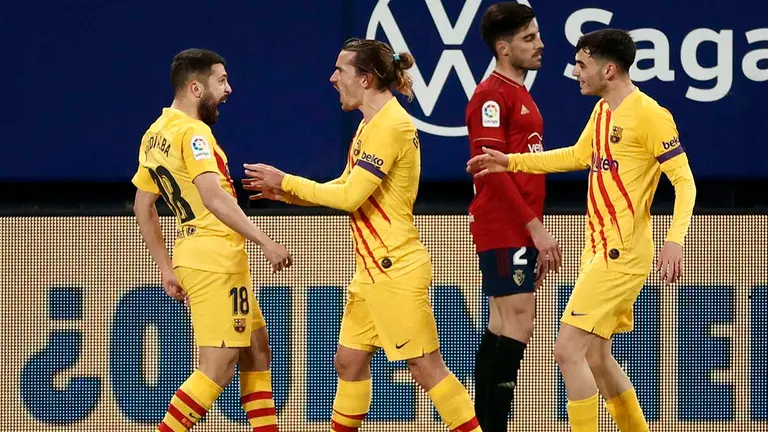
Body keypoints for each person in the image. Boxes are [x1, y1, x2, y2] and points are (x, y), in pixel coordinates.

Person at [241, 38, 482, 432]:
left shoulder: (393, 125)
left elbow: (352, 195)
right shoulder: (369, 125)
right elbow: (345, 187)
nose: (332, 78)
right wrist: (287, 194)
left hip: (395, 268)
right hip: (370, 272)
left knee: (425, 368)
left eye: (341, 70)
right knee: (348, 361)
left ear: (366, 79)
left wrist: (289, 180)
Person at [467, 29, 696, 432]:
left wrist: (674, 240)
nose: (575, 72)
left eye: (582, 65)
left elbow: (685, 182)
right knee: (597, 356)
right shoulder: (604, 110)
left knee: (567, 349)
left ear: (609, 69)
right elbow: (576, 155)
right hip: (599, 250)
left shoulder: (650, 115)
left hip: (621, 254)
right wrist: (511, 161)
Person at [131, 48, 292, 432]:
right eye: (221, 80)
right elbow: (213, 195)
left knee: (256, 351)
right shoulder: (194, 132)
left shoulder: (155, 135)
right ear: (195, 87)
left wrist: (167, 268)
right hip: (215, 260)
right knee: (217, 368)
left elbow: (143, 206)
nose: (229, 88)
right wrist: (264, 241)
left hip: (198, 256)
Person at [466, 4, 562, 431]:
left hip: (515, 227)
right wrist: (535, 229)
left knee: (503, 324)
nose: (540, 44)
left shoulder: (518, 92)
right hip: (505, 227)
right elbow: (490, 169)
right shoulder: (491, 95)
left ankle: (486, 425)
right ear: (503, 48)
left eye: (537, 35)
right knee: (518, 322)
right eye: (528, 38)